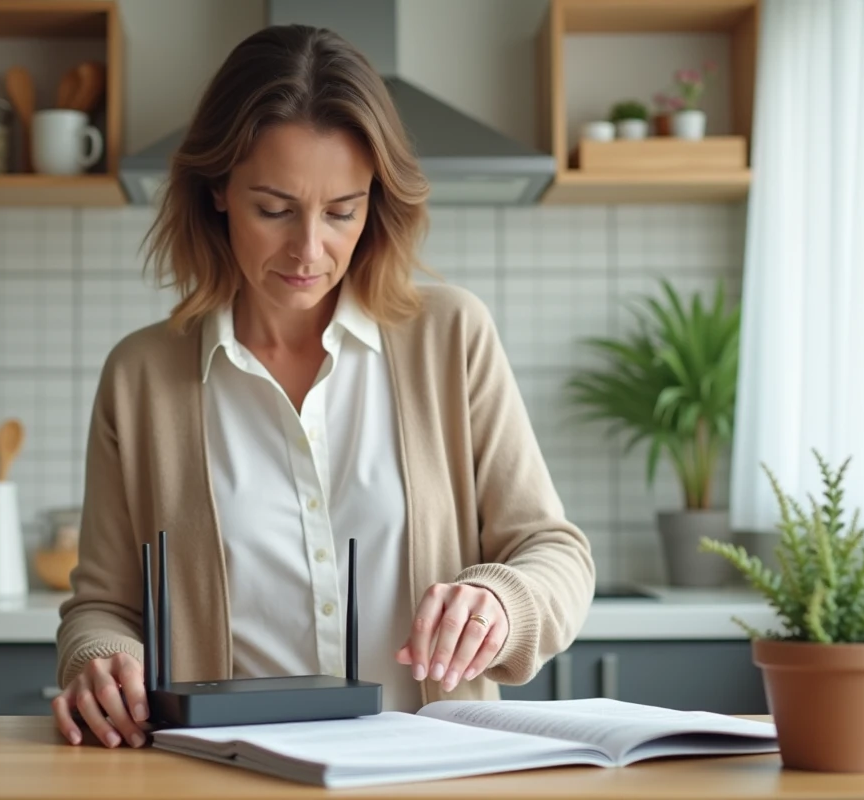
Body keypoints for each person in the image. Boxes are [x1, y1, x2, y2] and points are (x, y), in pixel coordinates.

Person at [52, 23, 594, 750]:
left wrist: (501, 600)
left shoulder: (452, 336)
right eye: (273, 209)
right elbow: (102, 608)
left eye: (343, 210)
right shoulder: (141, 376)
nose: (310, 249)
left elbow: (554, 551)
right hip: (225, 775)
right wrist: (99, 660)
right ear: (217, 190)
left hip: (434, 770)